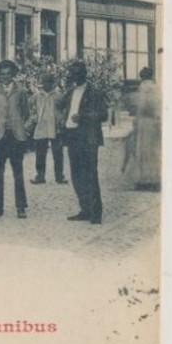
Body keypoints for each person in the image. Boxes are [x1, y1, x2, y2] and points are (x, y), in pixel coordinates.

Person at [59, 60, 108, 225]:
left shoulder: (95, 92)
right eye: (72, 73)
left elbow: (103, 115)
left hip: (88, 138)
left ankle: (96, 213)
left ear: (84, 74)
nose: (74, 76)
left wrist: (84, 116)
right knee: (76, 175)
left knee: (90, 175)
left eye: (77, 73)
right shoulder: (70, 92)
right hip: (72, 136)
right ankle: (85, 209)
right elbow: (59, 106)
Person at [0, 59, 31, 219]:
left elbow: (25, 113)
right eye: (2, 74)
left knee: (18, 172)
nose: (5, 77)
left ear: (13, 74)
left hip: (16, 136)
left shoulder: (21, 91)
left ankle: (21, 207)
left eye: (8, 74)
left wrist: (16, 125)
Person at [30, 71, 67, 185]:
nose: (46, 84)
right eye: (44, 82)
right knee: (40, 153)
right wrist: (34, 117)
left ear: (52, 83)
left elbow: (64, 109)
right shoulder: (37, 95)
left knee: (58, 153)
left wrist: (61, 120)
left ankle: (59, 176)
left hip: (55, 128)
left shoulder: (58, 95)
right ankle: (40, 176)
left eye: (49, 82)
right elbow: (32, 108)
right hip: (41, 127)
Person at [132, 67, 162, 191]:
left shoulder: (144, 88)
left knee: (144, 151)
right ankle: (156, 178)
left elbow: (142, 106)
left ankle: (145, 180)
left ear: (142, 77)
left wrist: (136, 120)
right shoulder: (156, 88)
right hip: (155, 121)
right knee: (154, 151)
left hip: (145, 122)